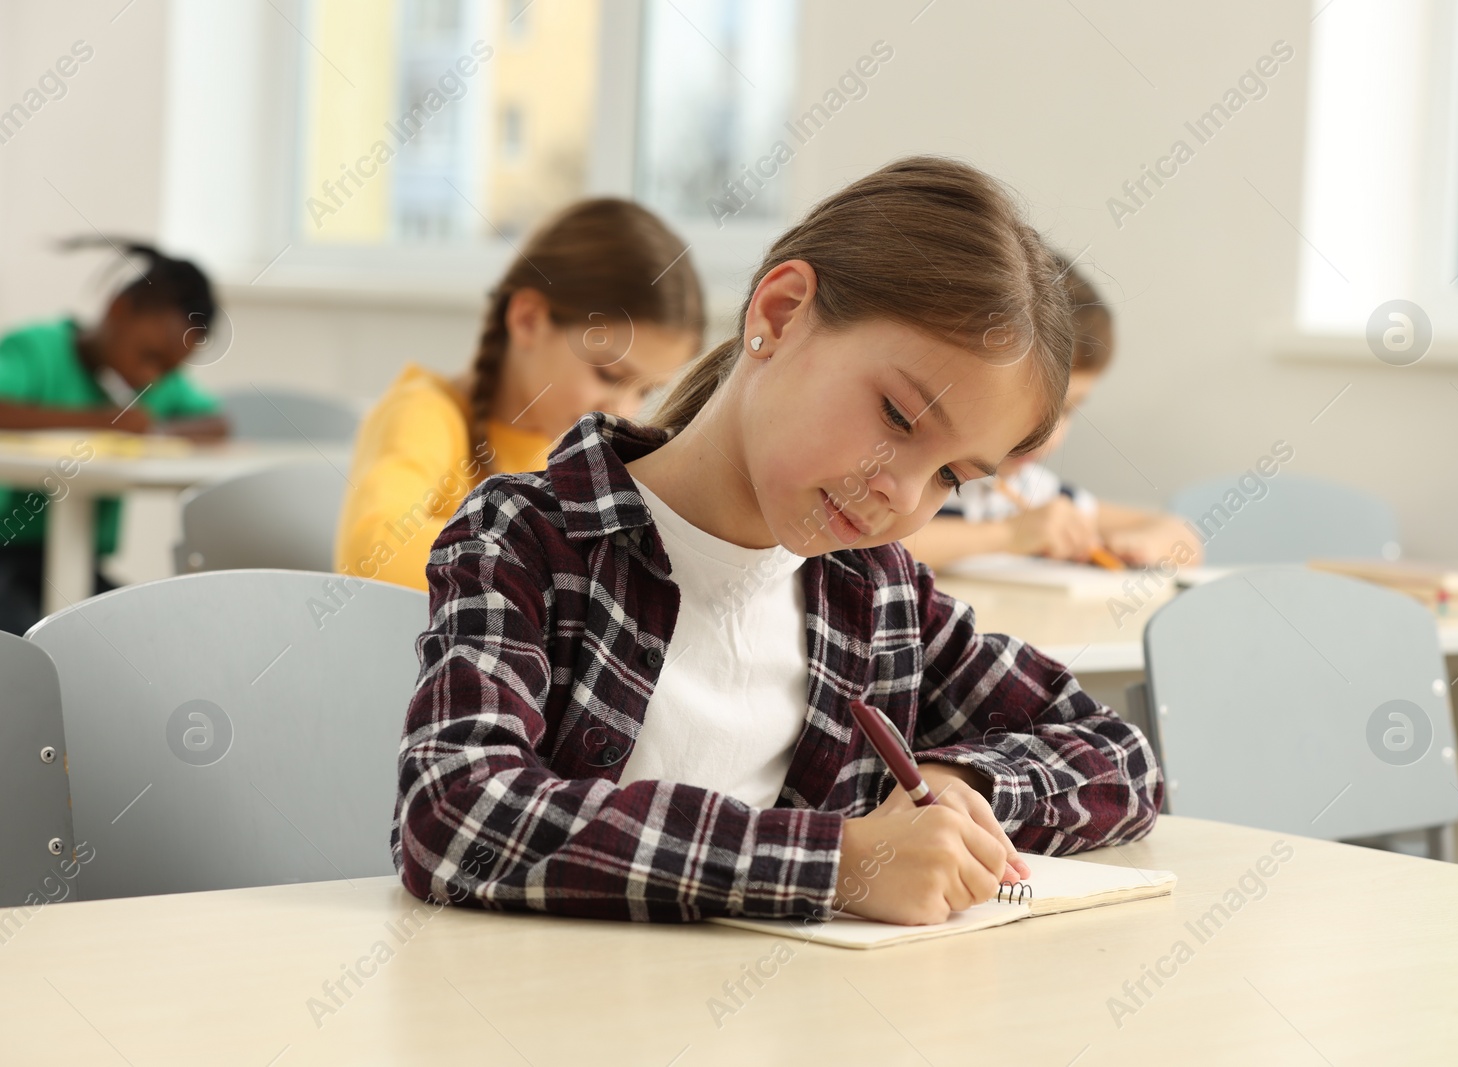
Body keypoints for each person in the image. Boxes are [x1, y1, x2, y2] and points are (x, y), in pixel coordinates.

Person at [392, 157, 1162, 926]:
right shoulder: (525, 537)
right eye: (898, 418)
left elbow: (1122, 757)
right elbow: (455, 814)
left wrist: (961, 782)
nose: (902, 494)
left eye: (952, 476)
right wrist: (839, 862)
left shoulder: (877, 595)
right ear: (782, 312)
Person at [334, 198, 704, 591]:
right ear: (528, 319)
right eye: (608, 375)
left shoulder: (571, 459)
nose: (623, 410)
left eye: (644, 391)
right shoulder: (422, 414)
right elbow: (371, 557)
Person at [903, 255, 1203, 570]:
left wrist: (1139, 545)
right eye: (1036, 409)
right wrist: (1007, 534)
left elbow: (1184, 536)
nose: (1049, 434)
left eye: (1069, 411)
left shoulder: (1033, 491)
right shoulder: (916, 480)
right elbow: (874, 550)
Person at [0, 239, 228, 634]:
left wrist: (156, 431)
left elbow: (216, 422)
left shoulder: (149, 389)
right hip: (9, 555)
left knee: (145, 634)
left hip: (81, 565)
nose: (152, 376)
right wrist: (102, 424)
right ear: (119, 309)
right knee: (31, 645)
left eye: (169, 369)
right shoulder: (37, 350)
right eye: (150, 356)